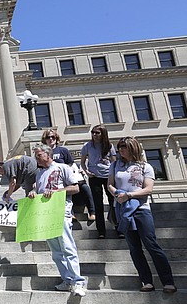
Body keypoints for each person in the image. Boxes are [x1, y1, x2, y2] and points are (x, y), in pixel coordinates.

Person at [108, 137, 177, 293]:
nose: (121, 149)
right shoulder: (114, 165)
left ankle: (168, 281)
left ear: (133, 147)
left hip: (141, 208)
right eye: (119, 147)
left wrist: (129, 195)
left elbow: (148, 189)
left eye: (124, 146)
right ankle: (146, 281)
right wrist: (117, 194)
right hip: (123, 209)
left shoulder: (145, 166)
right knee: (134, 248)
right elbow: (110, 184)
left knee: (151, 244)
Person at [30, 143, 86, 297]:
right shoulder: (40, 174)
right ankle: (67, 279)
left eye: (39, 155)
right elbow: (39, 190)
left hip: (61, 210)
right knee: (56, 251)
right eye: (35, 156)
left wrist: (57, 191)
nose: (37, 159)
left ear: (48, 154)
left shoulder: (62, 168)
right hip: (46, 214)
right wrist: (33, 192)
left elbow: (75, 188)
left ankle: (78, 281)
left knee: (67, 246)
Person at [41, 129, 95, 221]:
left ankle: (92, 212)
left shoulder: (63, 150)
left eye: (53, 137)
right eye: (48, 137)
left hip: (67, 175)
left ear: (56, 138)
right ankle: (71, 213)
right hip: (53, 179)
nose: (51, 139)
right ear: (44, 139)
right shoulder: (43, 153)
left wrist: (78, 173)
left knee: (84, 187)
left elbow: (71, 164)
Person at [80, 124, 117, 239]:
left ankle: (118, 226)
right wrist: (87, 172)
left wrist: (113, 175)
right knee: (98, 204)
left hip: (108, 177)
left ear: (103, 134)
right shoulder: (87, 145)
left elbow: (114, 162)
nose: (94, 135)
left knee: (113, 202)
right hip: (94, 177)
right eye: (93, 132)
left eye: (97, 133)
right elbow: (82, 162)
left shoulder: (109, 146)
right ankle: (101, 231)